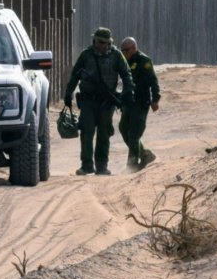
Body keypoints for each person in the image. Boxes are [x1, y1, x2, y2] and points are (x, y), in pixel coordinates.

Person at [61, 27, 134, 176]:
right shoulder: (86, 55)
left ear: (108, 43)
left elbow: (126, 75)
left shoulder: (116, 56)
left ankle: (102, 166)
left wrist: (127, 93)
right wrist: (68, 94)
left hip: (107, 102)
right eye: (96, 41)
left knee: (104, 133)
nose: (98, 44)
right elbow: (75, 76)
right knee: (86, 132)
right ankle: (87, 165)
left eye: (102, 42)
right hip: (88, 100)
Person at [119, 37, 162, 169]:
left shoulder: (144, 61)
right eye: (122, 50)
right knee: (123, 128)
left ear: (134, 48)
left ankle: (132, 165)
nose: (124, 53)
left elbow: (153, 81)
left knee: (134, 133)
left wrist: (155, 99)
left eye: (126, 50)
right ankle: (144, 154)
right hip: (128, 102)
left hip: (141, 101)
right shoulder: (125, 61)